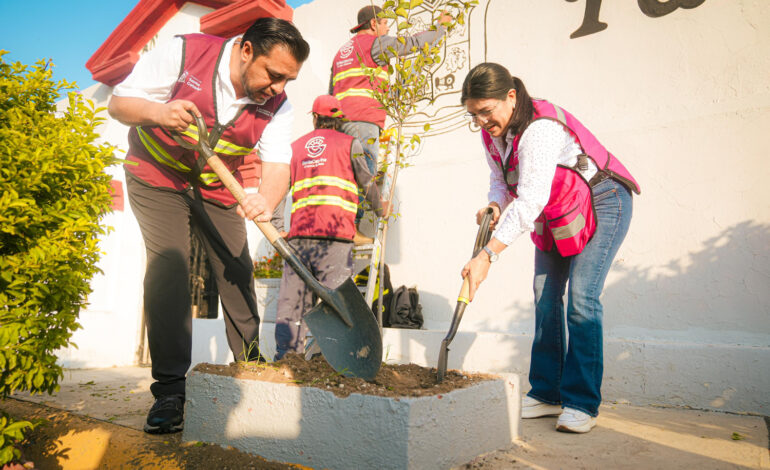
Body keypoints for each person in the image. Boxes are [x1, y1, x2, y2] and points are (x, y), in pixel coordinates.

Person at [107, 17, 309, 434]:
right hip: (156, 175)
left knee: (236, 268)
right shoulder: (183, 52)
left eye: (288, 80)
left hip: (217, 185)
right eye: (274, 76)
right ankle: (170, 391)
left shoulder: (278, 104)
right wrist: (158, 111)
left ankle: (252, 368)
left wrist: (265, 200)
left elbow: (276, 165)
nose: (279, 88)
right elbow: (119, 104)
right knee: (170, 269)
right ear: (247, 50)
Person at [459, 63, 640, 434]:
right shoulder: (493, 132)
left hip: (603, 199)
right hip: (560, 206)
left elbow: (529, 202)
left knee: (583, 298)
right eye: (474, 114)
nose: (481, 121)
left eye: (486, 111)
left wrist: (487, 255)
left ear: (511, 96)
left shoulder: (539, 131)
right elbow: (500, 179)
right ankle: (546, 393)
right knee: (545, 292)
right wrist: (494, 205)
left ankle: (581, 402)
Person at [274, 95, 389, 360]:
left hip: (299, 238)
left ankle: (287, 361)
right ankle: (331, 360)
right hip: (335, 238)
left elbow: (279, 190)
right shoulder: (351, 144)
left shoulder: (296, 147)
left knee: (292, 302)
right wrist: (379, 208)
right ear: (339, 121)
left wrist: (279, 226)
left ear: (314, 118)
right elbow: (366, 183)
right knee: (336, 302)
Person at [330, 4, 451, 244]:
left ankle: (342, 226)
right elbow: (413, 44)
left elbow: (330, 91)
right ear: (374, 24)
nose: (388, 29)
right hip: (363, 121)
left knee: (347, 176)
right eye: (385, 23)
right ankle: (351, 229)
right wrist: (441, 27)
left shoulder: (341, 52)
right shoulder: (375, 43)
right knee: (364, 173)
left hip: (340, 123)